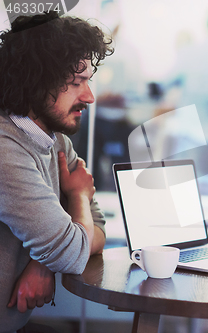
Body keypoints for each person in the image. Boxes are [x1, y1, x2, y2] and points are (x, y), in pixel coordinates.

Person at [0, 11, 113, 332]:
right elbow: (74, 250)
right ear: (33, 81)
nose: (89, 96)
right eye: (77, 82)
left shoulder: (57, 141)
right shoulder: (5, 149)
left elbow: (97, 228)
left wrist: (43, 261)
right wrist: (77, 194)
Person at [160, 7, 208, 149]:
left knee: (185, 170)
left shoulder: (189, 55)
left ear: (206, 22)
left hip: (188, 137)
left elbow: (163, 85)